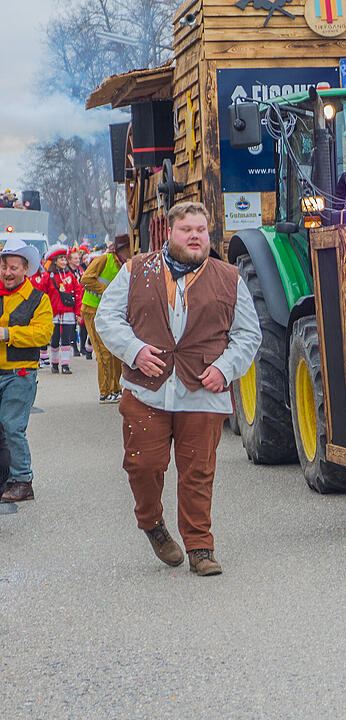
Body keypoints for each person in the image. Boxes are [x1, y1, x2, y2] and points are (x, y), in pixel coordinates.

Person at [96, 202, 261, 575]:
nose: (195, 236)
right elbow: (107, 317)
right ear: (170, 233)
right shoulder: (137, 269)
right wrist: (134, 350)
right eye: (186, 229)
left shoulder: (229, 277)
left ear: (209, 233)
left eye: (201, 230)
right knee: (143, 466)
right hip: (145, 390)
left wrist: (225, 368)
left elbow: (248, 334)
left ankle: (200, 547)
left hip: (203, 390)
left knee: (198, 472)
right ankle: (152, 524)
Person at [0, 240, 55, 505]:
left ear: (25, 270)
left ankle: (23, 481)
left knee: (12, 427)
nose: (7, 273)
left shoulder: (38, 299)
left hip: (19, 373)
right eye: (4, 267)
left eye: (13, 268)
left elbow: (44, 333)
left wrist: (9, 334)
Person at [81, 233, 131, 403]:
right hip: (92, 309)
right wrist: (108, 292)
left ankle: (116, 388)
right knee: (104, 352)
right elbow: (86, 279)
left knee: (115, 351)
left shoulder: (125, 264)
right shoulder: (104, 260)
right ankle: (105, 391)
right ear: (125, 248)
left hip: (109, 311)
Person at [38, 244, 83, 375]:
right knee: (55, 339)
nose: (64, 262)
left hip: (68, 313)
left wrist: (78, 312)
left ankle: (65, 365)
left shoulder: (71, 275)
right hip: (53, 314)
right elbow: (41, 293)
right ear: (55, 261)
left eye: (65, 259)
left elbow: (78, 293)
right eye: (61, 259)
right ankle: (55, 363)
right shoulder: (48, 276)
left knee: (66, 339)